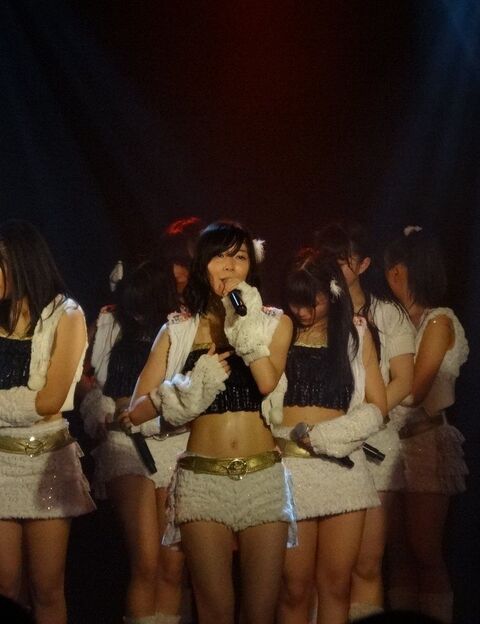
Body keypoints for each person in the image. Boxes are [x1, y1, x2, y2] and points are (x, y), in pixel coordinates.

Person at [127, 221, 296, 624]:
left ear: (251, 267)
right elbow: (135, 411)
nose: (230, 265)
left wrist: (243, 323)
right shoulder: (178, 328)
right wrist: (189, 388)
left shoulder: (274, 323)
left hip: (263, 477)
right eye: (220, 255)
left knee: (260, 611)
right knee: (214, 609)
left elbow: (266, 382)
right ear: (203, 264)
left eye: (240, 256)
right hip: (201, 480)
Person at [275, 249, 387, 624]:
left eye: (313, 302)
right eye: (296, 302)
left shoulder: (356, 334)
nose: (303, 312)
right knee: (294, 587)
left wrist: (328, 436)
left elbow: (377, 406)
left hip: (342, 468)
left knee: (337, 585)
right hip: (290, 469)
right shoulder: (279, 331)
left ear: (333, 293)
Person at [315, 221, 415, 620]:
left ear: (364, 264)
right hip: (323, 444)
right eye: (328, 258)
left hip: (374, 445)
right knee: (324, 569)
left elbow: (404, 379)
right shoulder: (314, 311)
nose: (335, 266)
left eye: (343, 259)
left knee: (368, 562)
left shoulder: (387, 314)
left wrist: (364, 420)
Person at [80, 260, 185, 624]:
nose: (137, 312)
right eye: (132, 303)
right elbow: (85, 377)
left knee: (172, 566)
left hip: (171, 439)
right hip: (123, 440)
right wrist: (97, 404)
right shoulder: (109, 321)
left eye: (144, 303)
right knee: (146, 562)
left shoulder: (180, 326)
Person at [0, 220, 94, 624]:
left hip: (47, 464)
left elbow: (52, 400)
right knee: (5, 586)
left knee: (47, 587)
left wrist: (35, 405)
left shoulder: (66, 315)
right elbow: (39, 402)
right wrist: (33, 404)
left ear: (19, 263)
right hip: (0, 464)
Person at [383, 226, 468, 624]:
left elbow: (415, 390)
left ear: (404, 269)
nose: (390, 275)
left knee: (424, 549)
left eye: (394, 268)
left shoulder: (439, 321)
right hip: (393, 445)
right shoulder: (397, 321)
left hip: (426, 441)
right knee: (397, 551)